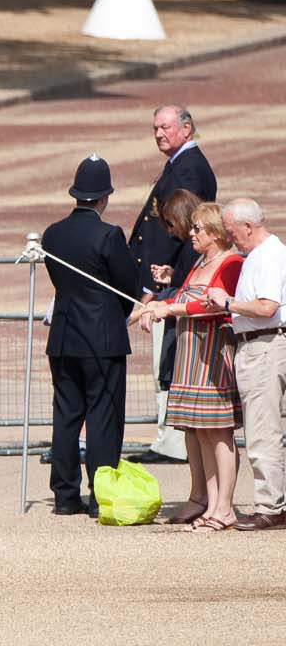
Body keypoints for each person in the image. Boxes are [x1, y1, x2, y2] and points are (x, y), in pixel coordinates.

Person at [40, 156, 144, 517]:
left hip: (65, 335)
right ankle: (101, 495)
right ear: (104, 198)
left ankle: (64, 495)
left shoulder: (53, 233)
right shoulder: (109, 234)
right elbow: (128, 286)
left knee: (66, 416)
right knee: (102, 416)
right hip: (102, 337)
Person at [135, 202, 244, 530]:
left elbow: (216, 307)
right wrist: (155, 306)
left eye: (198, 228)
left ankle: (224, 506)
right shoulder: (199, 261)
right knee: (198, 431)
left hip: (211, 356)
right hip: (189, 356)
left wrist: (170, 311)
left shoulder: (231, 262)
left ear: (215, 233)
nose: (192, 233)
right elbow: (182, 298)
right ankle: (210, 503)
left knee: (218, 431)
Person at [129, 105, 216, 464]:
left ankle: (173, 442)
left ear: (186, 128)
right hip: (169, 278)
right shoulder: (179, 163)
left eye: (165, 127)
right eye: (155, 128)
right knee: (165, 360)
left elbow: (179, 230)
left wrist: (152, 287)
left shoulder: (190, 168)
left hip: (173, 281)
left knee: (169, 361)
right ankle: (169, 438)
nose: (158, 134)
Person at [212, 200, 286, 530]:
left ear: (247, 227)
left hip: (264, 346)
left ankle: (271, 505)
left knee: (262, 431)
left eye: (231, 233)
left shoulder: (269, 255)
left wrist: (228, 303)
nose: (231, 240)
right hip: (259, 345)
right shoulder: (261, 255)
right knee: (262, 429)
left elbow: (268, 306)